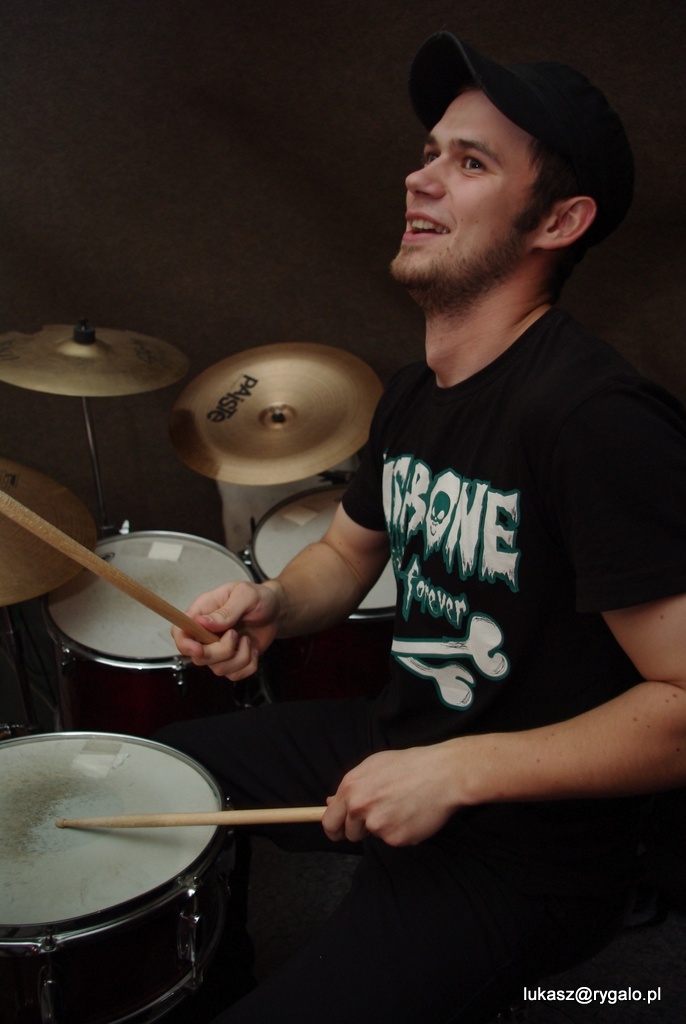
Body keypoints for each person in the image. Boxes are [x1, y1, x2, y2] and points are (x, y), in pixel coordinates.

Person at [158, 31, 686, 1024]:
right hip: (400, 736)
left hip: (526, 851)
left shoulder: (592, 419)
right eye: (429, 151)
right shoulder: (413, 393)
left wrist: (458, 769)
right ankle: (213, 976)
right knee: (160, 778)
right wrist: (273, 603)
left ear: (559, 220)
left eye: (470, 162)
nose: (420, 177)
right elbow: (343, 553)